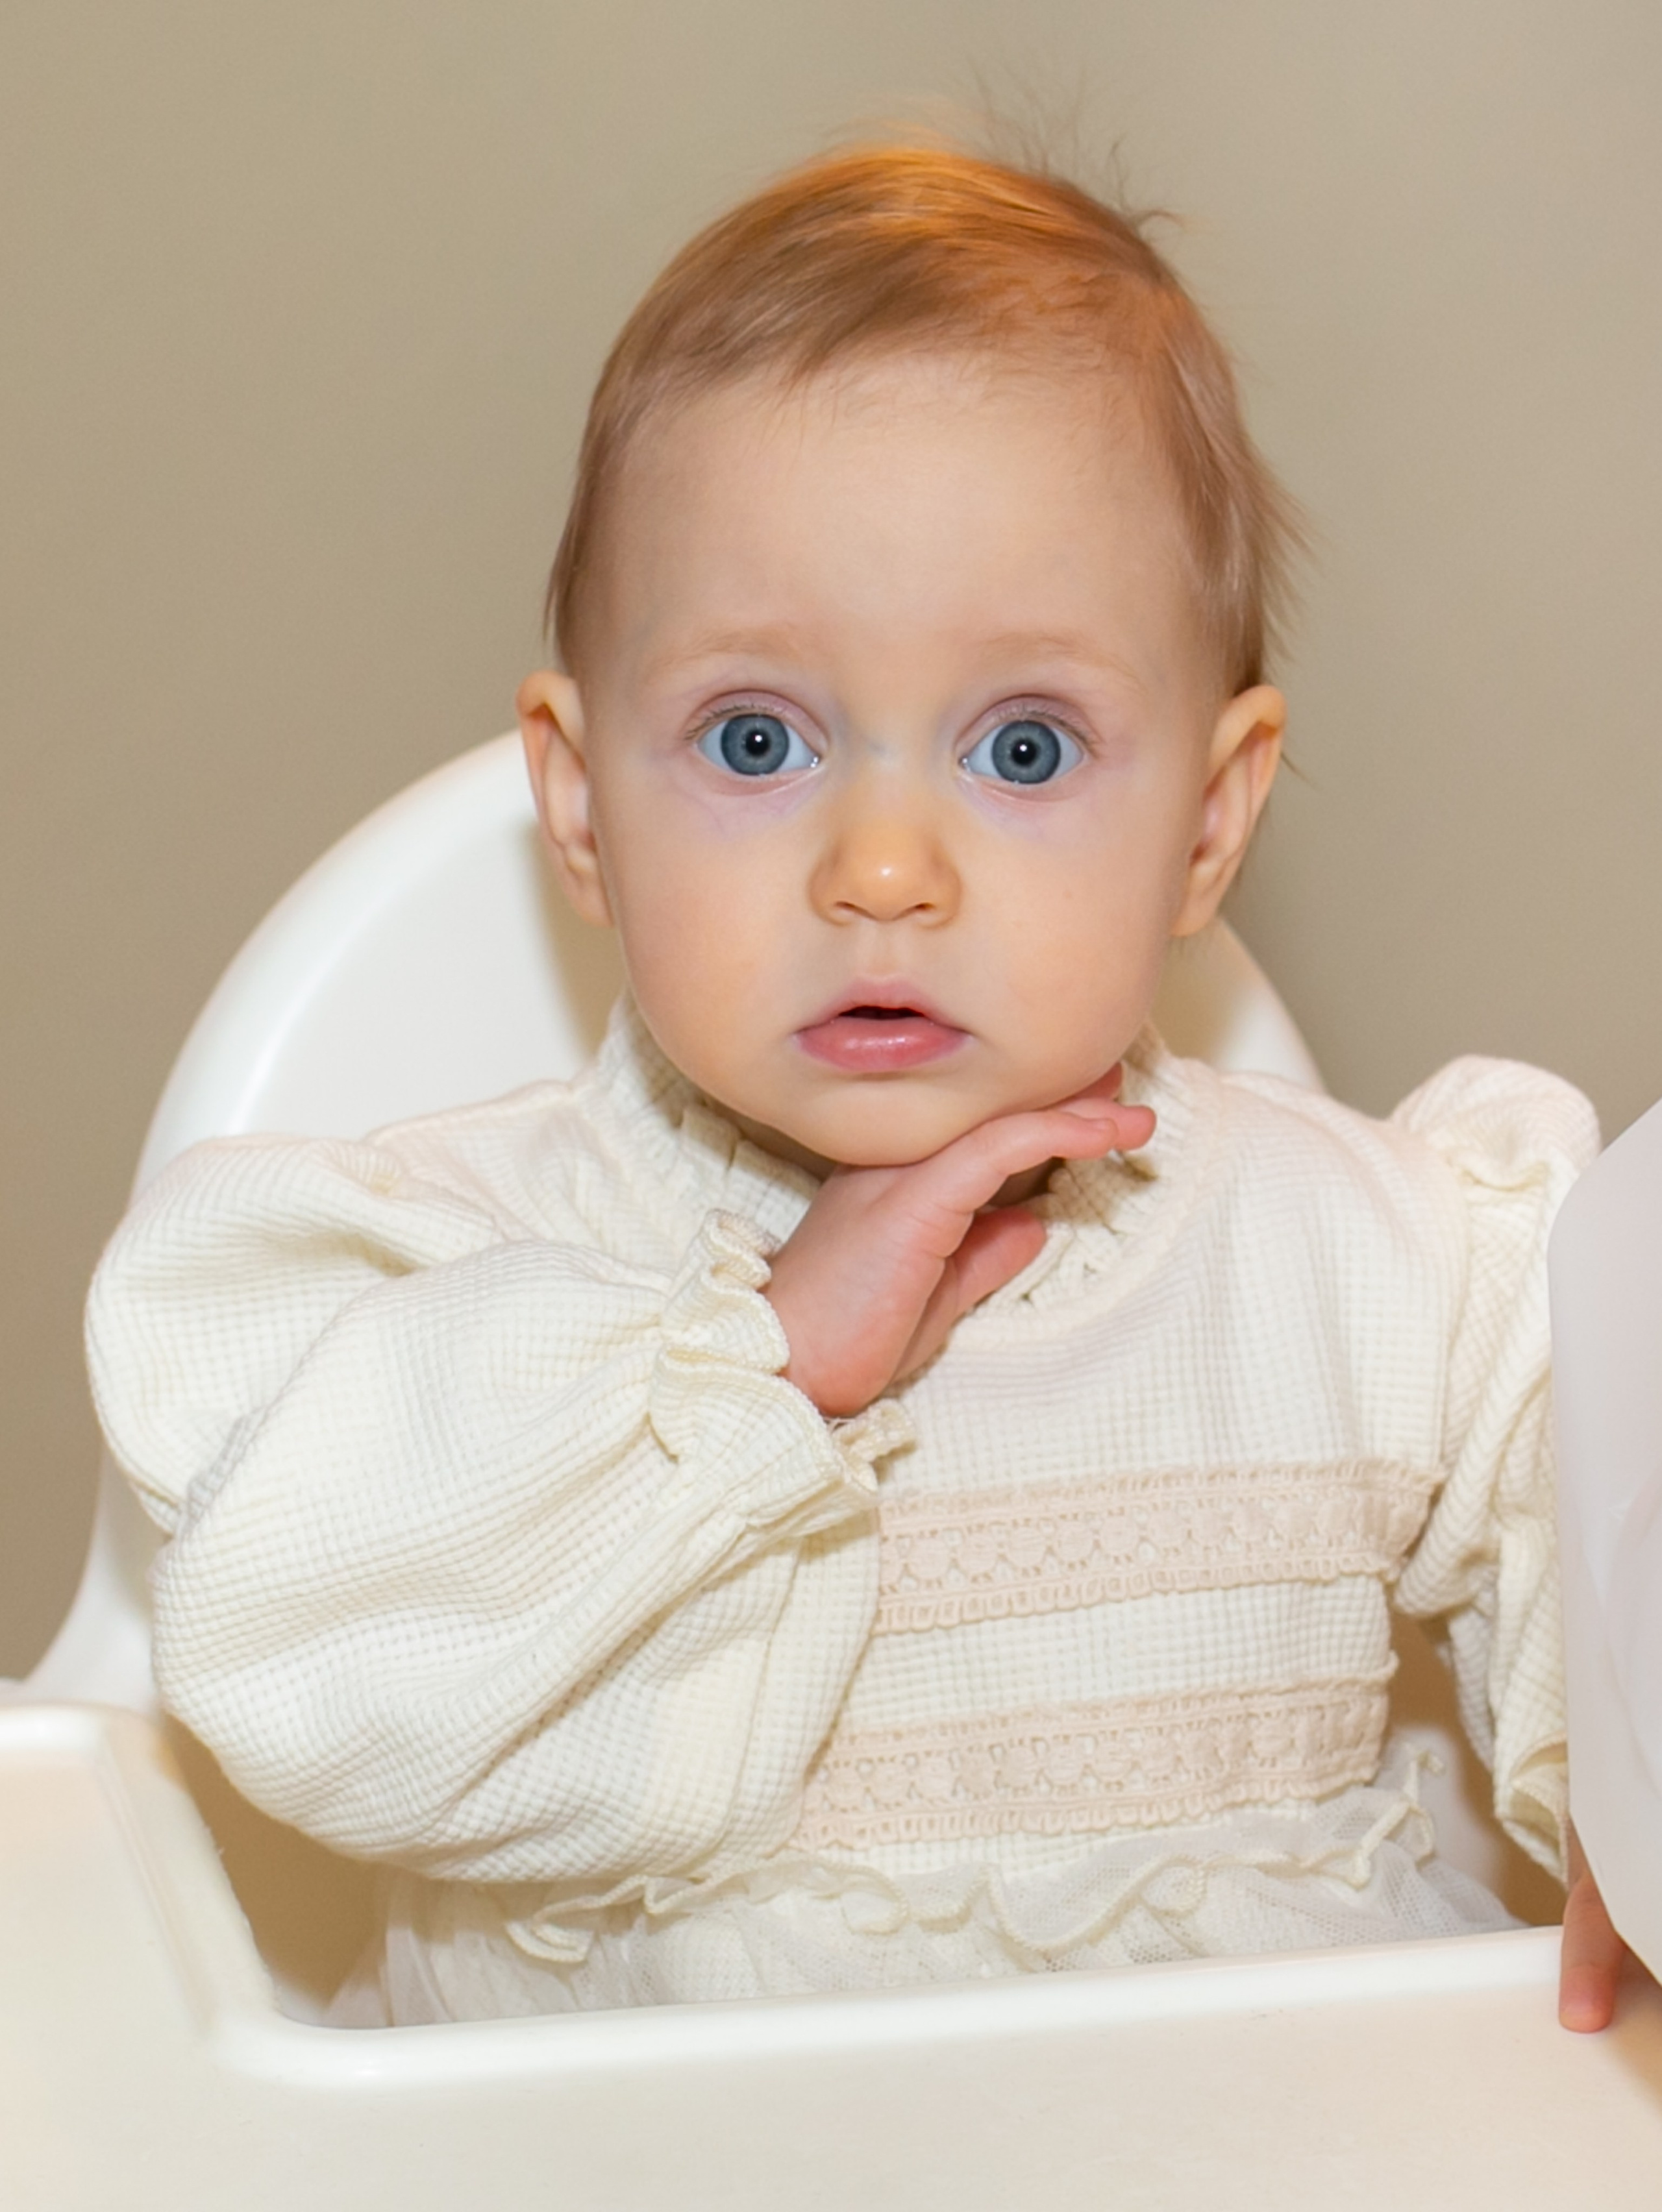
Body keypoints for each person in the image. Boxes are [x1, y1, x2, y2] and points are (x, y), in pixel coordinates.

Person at [85, 143, 1637, 2028]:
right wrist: (748, 1367)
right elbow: (304, 1669)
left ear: (1211, 822)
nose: (884, 867)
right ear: (580, 807)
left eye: (1026, 743)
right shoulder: (468, 1272)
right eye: (758, 738)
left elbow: (1605, 1482)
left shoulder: (1372, 1262)